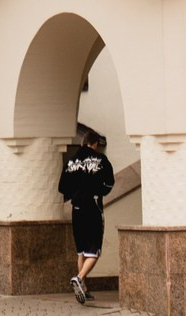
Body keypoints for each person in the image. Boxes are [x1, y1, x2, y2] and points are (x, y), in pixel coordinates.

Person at [60, 125, 114, 305]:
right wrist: (97, 192)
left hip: (77, 210)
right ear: (95, 144)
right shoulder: (101, 159)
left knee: (81, 251)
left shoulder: (71, 162)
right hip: (93, 207)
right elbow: (109, 184)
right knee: (94, 251)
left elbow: (62, 188)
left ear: (83, 142)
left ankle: (85, 288)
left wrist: (76, 194)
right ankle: (79, 277)